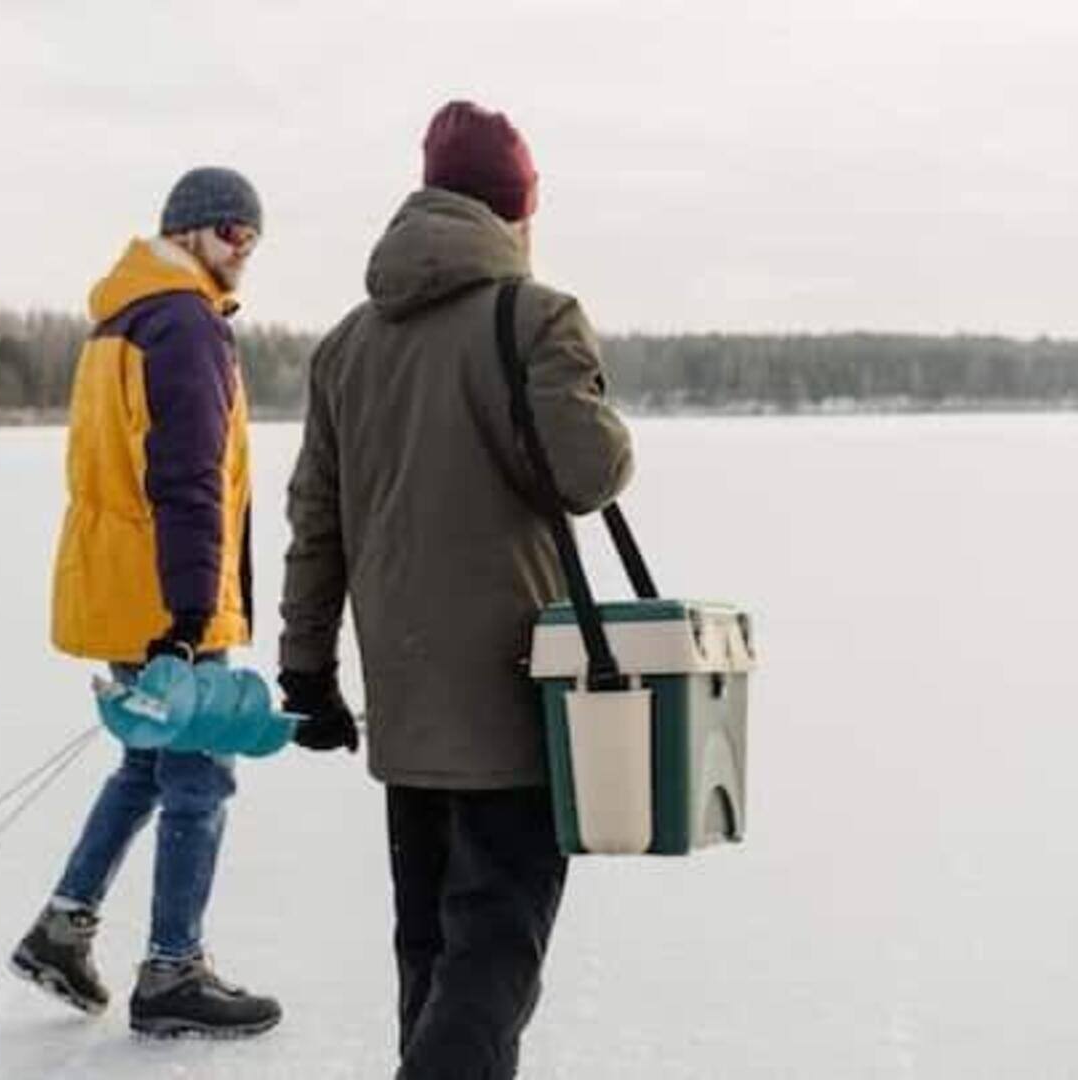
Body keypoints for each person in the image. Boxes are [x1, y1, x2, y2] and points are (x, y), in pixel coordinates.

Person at [277, 101, 633, 1078]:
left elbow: (318, 523)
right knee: (489, 962)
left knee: (432, 957)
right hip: (517, 700)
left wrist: (307, 671)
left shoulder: (348, 345)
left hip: (405, 699)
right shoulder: (536, 316)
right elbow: (589, 475)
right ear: (517, 205)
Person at [11, 166, 280, 1039]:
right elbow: (188, 480)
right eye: (233, 233)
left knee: (149, 763)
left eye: (254, 238)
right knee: (198, 774)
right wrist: (194, 614)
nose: (245, 252)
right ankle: (173, 971)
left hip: (126, 586)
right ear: (193, 232)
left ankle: (63, 929)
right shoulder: (183, 324)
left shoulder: (120, 320)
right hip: (168, 596)